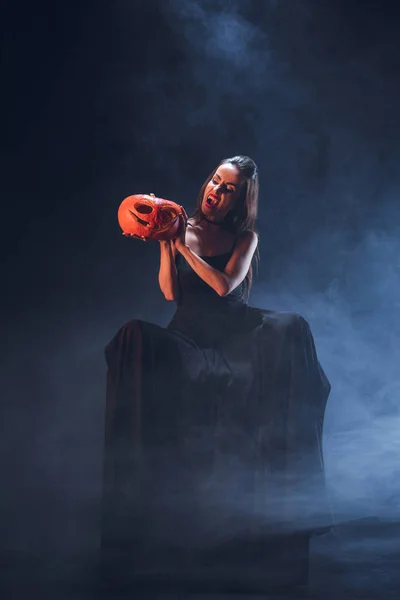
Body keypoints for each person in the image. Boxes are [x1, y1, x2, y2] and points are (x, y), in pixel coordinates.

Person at [101, 155, 332, 591]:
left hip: (238, 334)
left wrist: (185, 245)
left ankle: (286, 504)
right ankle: (133, 507)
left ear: (240, 200)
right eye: (214, 180)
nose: (215, 191)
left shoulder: (246, 238)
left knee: (292, 328)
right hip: (189, 336)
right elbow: (170, 292)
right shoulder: (177, 227)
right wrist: (167, 243)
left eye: (228, 188)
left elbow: (226, 287)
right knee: (133, 336)